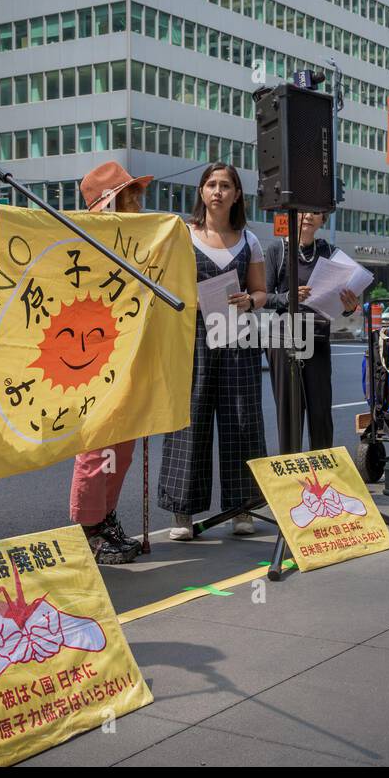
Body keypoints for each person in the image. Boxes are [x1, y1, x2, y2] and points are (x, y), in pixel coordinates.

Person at [159, 163, 267, 540]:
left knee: (242, 420)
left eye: (225, 185)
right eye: (211, 184)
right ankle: (182, 514)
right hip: (193, 337)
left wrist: (250, 301)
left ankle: (243, 509)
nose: (217, 191)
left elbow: (261, 291)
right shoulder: (182, 235)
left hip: (238, 334)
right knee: (191, 421)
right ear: (202, 191)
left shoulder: (248, 240)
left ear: (237, 195)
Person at [68, 161, 154, 565]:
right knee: (97, 444)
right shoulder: (83, 244)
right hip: (92, 358)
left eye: (137, 193)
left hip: (130, 356)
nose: (139, 200)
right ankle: (88, 528)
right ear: (107, 203)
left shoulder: (141, 242)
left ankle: (104, 519)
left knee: (123, 446)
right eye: (129, 194)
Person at [263, 211, 360, 452]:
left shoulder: (329, 252)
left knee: (320, 411)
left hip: (317, 336)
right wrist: (289, 297)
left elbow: (343, 300)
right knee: (289, 413)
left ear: (323, 220)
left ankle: (324, 474)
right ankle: (290, 470)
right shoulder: (277, 250)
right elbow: (264, 296)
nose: (308, 216)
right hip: (283, 337)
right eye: (303, 211)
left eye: (315, 213)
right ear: (292, 214)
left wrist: (349, 308)